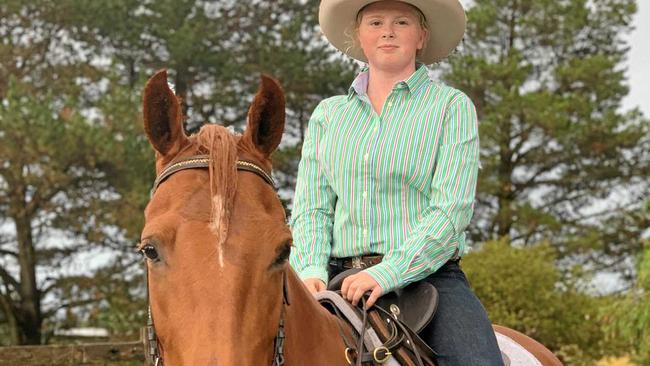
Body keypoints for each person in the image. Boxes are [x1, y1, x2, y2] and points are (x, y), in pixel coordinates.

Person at [289, 0, 504, 365]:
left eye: (401, 22)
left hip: (431, 279)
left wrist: (389, 271)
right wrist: (309, 269)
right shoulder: (328, 115)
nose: (387, 31)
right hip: (335, 277)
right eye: (375, 22)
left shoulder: (451, 107)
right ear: (359, 36)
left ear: (421, 36)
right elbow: (312, 208)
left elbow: (451, 211)